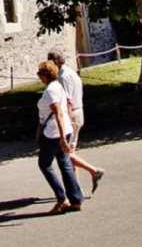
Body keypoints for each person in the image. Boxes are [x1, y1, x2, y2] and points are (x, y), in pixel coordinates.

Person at [48, 49, 104, 194]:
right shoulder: (70, 73)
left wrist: (63, 119)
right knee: (69, 152)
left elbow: (68, 101)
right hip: (77, 113)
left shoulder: (64, 77)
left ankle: (94, 171)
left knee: (64, 152)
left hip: (72, 115)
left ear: (56, 62)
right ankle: (76, 189)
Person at [36, 59, 85, 214]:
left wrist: (63, 137)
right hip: (63, 131)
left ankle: (62, 198)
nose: (38, 76)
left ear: (45, 75)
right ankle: (76, 200)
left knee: (44, 164)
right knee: (65, 163)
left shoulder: (51, 90)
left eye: (39, 74)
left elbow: (58, 113)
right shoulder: (58, 86)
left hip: (54, 133)